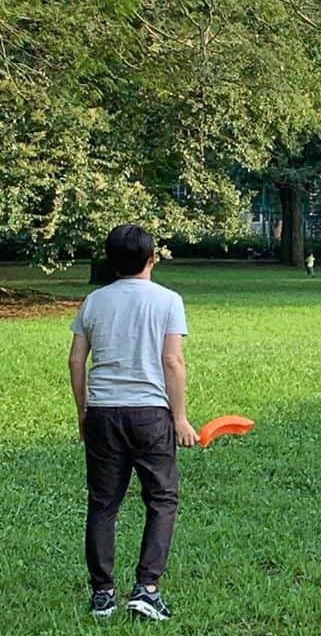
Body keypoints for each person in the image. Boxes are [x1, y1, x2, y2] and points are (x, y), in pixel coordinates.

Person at [68, 224, 198, 622]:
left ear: (110, 260)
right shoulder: (168, 301)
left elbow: (76, 360)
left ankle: (103, 595)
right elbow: (172, 361)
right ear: (152, 258)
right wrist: (180, 418)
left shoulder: (94, 301)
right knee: (161, 500)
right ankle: (147, 589)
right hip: (150, 415)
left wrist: (83, 411)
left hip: (103, 412)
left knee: (103, 503)